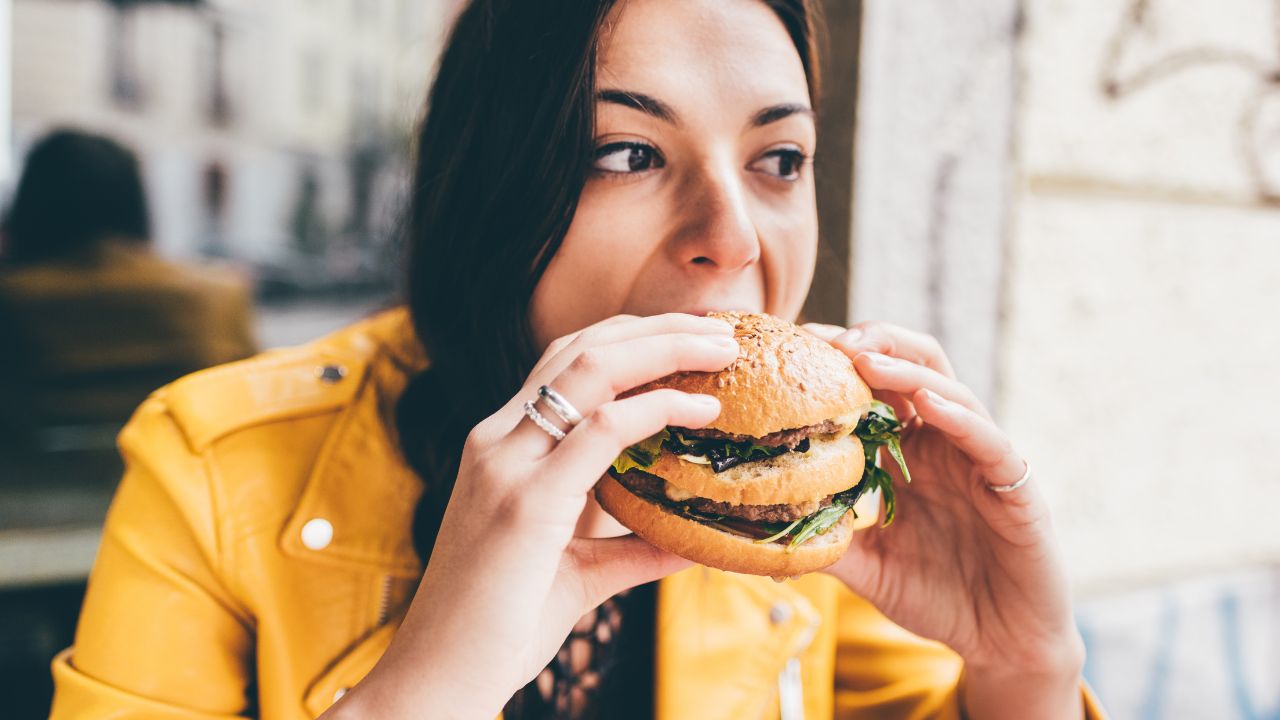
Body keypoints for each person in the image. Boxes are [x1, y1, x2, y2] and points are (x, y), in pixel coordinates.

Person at [49, 1, 1105, 718]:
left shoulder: (793, 508)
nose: (733, 236)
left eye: (779, 160)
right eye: (626, 153)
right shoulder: (209, 464)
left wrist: (1022, 672)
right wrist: (430, 685)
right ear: (491, 185)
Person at [0, 129, 256, 442]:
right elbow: (250, 409)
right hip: (177, 485)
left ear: (31, 203)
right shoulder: (219, 296)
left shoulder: (14, 301)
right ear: (136, 200)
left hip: (25, 487)